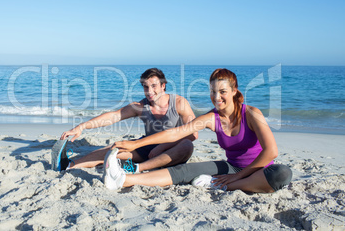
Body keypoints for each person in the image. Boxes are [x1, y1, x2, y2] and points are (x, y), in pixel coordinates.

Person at [104, 68, 292, 193]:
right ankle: (123, 180)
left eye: (222, 92)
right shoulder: (212, 117)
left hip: (260, 170)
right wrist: (138, 143)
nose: (216, 97)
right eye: (212, 92)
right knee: (184, 170)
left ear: (234, 91)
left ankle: (228, 186)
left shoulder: (251, 113)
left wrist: (236, 177)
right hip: (231, 167)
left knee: (283, 173)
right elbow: (177, 132)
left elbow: (271, 152)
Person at [57, 68, 198, 172]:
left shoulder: (179, 103)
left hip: (174, 149)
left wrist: (162, 146)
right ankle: (68, 165)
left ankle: (137, 168)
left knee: (187, 145)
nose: (149, 91)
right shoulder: (140, 106)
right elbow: (113, 116)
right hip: (147, 148)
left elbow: (193, 134)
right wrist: (82, 126)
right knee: (111, 150)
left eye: (154, 86)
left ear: (163, 86)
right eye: (146, 87)